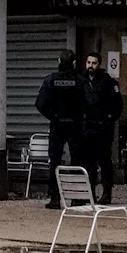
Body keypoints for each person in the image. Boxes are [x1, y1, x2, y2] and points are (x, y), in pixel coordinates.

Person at [35, 48, 86, 209]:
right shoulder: (81, 81)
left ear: (58, 62)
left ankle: (55, 198)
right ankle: (76, 197)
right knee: (77, 160)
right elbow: (92, 102)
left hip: (57, 125)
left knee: (55, 161)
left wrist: (53, 116)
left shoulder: (51, 80)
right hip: (75, 125)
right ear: (74, 63)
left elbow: (40, 103)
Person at [82, 52, 123, 204]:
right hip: (88, 128)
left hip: (103, 129)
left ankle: (106, 193)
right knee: (89, 163)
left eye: (93, 63)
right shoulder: (82, 80)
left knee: (104, 161)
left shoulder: (108, 82)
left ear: (99, 64)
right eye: (88, 62)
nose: (90, 66)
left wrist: (108, 119)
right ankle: (90, 193)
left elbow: (118, 106)